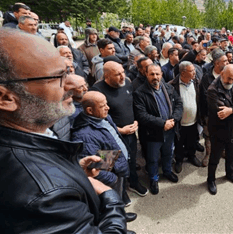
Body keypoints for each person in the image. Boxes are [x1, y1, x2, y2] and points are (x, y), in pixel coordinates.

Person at [0, 28, 126, 233]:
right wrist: (110, 198)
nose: (72, 83)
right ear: (6, 98)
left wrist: (72, 169)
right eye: (57, 76)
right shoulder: (43, 195)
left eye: (68, 71)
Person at [71, 91, 139, 227]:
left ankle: (121, 214)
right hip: (111, 175)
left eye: (106, 103)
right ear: (90, 110)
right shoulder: (84, 135)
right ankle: (117, 223)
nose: (108, 107)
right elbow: (93, 169)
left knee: (119, 197)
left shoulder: (103, 117)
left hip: (116, 165)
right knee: (110, 202)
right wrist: (113, 179)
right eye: (103, 105)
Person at [91, 61, 147, 197]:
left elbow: (132, 104)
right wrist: (120, 130)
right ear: (107, 76)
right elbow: (97, 118)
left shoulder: (127, 83)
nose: (123, 76)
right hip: (109, 137)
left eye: (123, 72)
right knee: (109, 165)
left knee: (131, 159)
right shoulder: (97, 90)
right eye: (117, 74)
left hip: (130, 133)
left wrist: (136, 121)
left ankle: (133, 182)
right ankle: (117, 193)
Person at [133, 64, 183, 195]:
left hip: (170, 130)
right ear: (146, 74)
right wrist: (162, 124)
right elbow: (142, 115)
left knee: (168, 153)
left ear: (161, 74)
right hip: (153, 134)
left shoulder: (169, 87)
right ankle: (154, 179)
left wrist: (174, 119)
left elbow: (179, 103)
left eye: (157, 74)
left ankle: (167, 171)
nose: (155, 77)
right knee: (153, 158)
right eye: (152, 74)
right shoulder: (140, 93)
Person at [206, 64, 233, 194]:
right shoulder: (212, 90)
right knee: (215, 157)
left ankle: (230, 174)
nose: (231, 81)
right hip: (218, 130)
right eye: (228, 78)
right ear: (221, 74)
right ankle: (211, 179)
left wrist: (232, 110)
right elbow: (221, 112)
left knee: (232, 155)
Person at [169, 61, 202, 173]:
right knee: (179, 142)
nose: (195, 72)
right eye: (191, 70)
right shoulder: (172, 86)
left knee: (192, 141)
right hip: (180, 123)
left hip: (193, 121)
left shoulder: (196, 82)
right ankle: (179, 160)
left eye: (194, 69)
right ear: (183, 73)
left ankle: (192, 156)